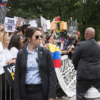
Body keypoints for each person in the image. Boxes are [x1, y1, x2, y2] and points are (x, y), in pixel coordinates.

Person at [14, 27, 56, 100]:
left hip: (41, 92)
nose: (40, 38)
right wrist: (17, 96)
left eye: (41, 36)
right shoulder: (20, 54)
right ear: (29, 38)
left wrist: (51, 95)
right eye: (37, 36)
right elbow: (17, 75)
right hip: (25, 93)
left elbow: (52, 73)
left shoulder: (46, 52)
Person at [72, 27, 100, 100]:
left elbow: (74, 59)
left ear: (86, 35)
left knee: (80, 96)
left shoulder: (81, 45)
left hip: (83, 76)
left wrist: (77, 68)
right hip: (97, 76)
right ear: (93, 35)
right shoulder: (99, 47)